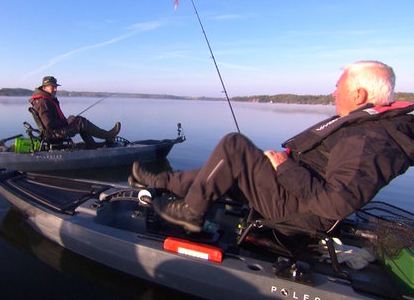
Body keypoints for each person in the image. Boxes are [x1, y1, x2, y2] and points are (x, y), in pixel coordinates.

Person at [130, 60, 414, 233]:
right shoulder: (364, 128)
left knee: (233, 145)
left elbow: (335, 204)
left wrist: (286, 167)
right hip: (294, 193)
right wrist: (281, 166)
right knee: (233, 162)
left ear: (360, 93)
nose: (333, 92)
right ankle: (163, 181)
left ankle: (191, 213)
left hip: (299, 210)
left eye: (339, 87)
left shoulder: (370, 140)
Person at [29, 76, 121, 149]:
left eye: (56, 87)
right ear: (44, 87)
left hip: (53, 131)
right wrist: (67, 122)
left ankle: (92, 144)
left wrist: (68, 121)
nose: (55, 89)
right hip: (54, 134)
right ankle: (108, 135)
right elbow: (49, 123)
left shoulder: (43, 100)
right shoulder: (43, 102)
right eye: (52, 87)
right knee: (80, 122)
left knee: (79, 120)